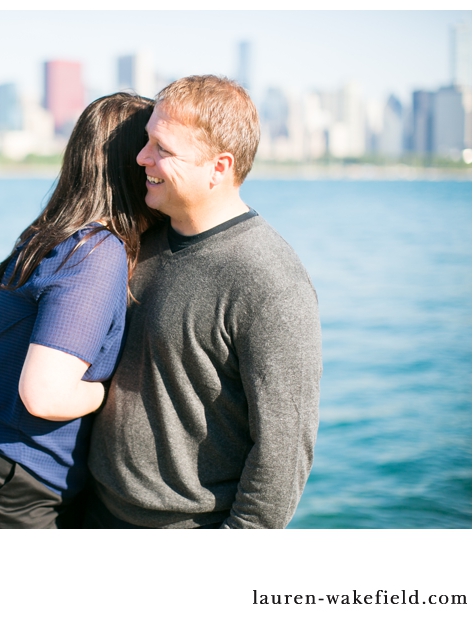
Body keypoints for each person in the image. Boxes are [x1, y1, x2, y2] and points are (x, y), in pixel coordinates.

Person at [85, 75, 322, 529]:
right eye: (146, 140)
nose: (141, 157)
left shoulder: (270, 280)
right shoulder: (141, 239)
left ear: (219, 167)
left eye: (162, 148)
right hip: (94, 510)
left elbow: (284, 452)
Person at [0, 93, 157, 528]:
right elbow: (45, 394)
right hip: (9, 477)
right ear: (130, 163)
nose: (154, 159)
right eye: (150, 147)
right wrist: (114, 391)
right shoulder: (96, 252)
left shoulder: (54, 230)